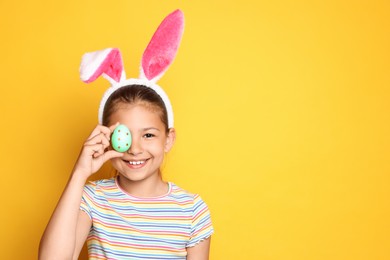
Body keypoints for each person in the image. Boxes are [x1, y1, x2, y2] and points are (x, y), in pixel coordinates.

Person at [39, 9, 213, 260]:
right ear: (106, 137)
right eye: (124, 135)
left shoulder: (191, 210)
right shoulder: (93, 198)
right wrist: (79, 173)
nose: (134, 149)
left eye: (149, 135)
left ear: (169, 139)